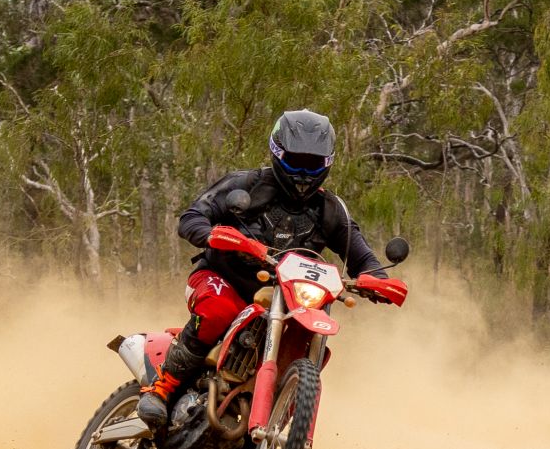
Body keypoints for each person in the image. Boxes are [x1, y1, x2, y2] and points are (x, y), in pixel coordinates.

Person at [137, 108, 389, 427]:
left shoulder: (331, 211)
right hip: (221, 279)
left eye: (312, 164)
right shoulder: (246, 185)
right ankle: (162, 388)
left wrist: (377, 280)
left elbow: (363, 257)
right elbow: (192, 217)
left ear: (327, 163)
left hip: (287, 301)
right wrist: (215, 234)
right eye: (296, 161)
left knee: (307, 336)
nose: (303, 172)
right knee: (217, 310)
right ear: (277, 151)